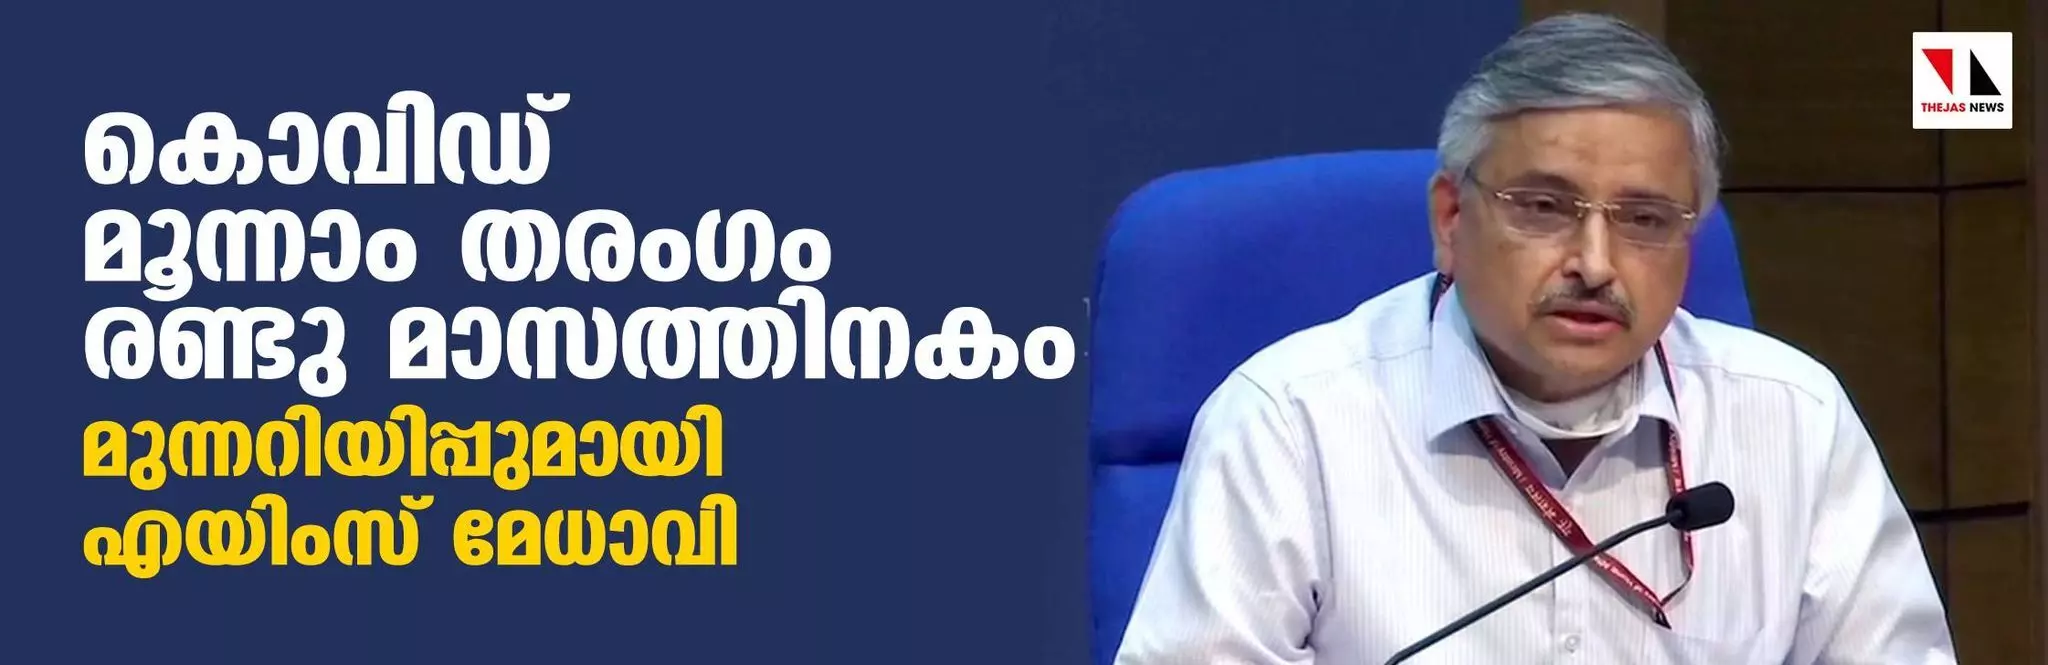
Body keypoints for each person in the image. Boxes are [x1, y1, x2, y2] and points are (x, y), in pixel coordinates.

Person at [1112, 12, 1956, 665]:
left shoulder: (1794, 420)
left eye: (1645, 219)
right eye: (1545, 208)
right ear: (1451, 218)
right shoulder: (1289, 423)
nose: (1595, 263)